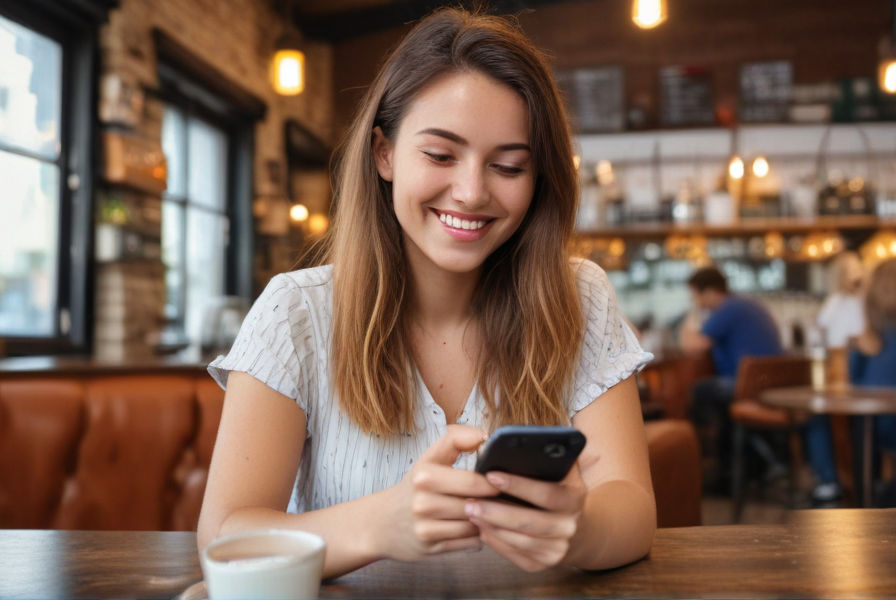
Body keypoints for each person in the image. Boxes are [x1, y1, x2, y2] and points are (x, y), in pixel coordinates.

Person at [197, 8, 655, 578]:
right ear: (384, 153)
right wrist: (379, 524)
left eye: (508, 166)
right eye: (440, 155)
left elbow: (632, 506)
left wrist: (579, 532)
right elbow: (223, 533)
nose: (470, 191)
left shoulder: (580, 295)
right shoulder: (296, 311)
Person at [679, 266, 782, 488]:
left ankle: (703, 464)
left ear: (709, 292)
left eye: (695, 295)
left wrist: (692, 315)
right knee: (717, 401)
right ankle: (741, 464)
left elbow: (691, 346)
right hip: (770, 384)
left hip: (749, 386)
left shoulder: (727, 309)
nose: (695, 300)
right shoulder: (746, 304)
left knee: (699, 391)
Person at [804, 251, 867, 506]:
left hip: (853, 374)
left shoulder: (867, 302)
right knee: (822, 416)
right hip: (841, 372)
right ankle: (835, 481)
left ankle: (837, 482)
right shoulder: (838, 301)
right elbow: (819, 330)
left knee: (831, 418)